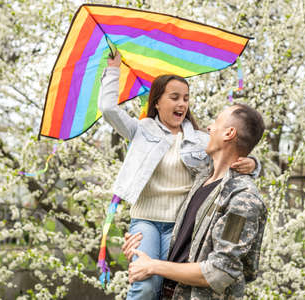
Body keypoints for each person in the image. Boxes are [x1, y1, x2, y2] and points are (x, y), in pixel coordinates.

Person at [98, 52, 260, 299]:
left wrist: (254, 164)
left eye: (186, 98)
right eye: (174, 97)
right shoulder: (141, 131)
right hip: (146, 221)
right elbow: (109, 109)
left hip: (179, 224)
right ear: (157, 102)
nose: (182, 104)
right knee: (146, 284)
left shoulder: (200, 140)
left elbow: (232, 155)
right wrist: (113, 70)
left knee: (167, 287)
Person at [122, 103, 267, 300]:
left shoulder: (243, 200)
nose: (209, 127)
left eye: (216, 122)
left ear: (229, 133)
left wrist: (154, 266)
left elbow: (220, 271)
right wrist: (142, 246)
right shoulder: (200, 178)